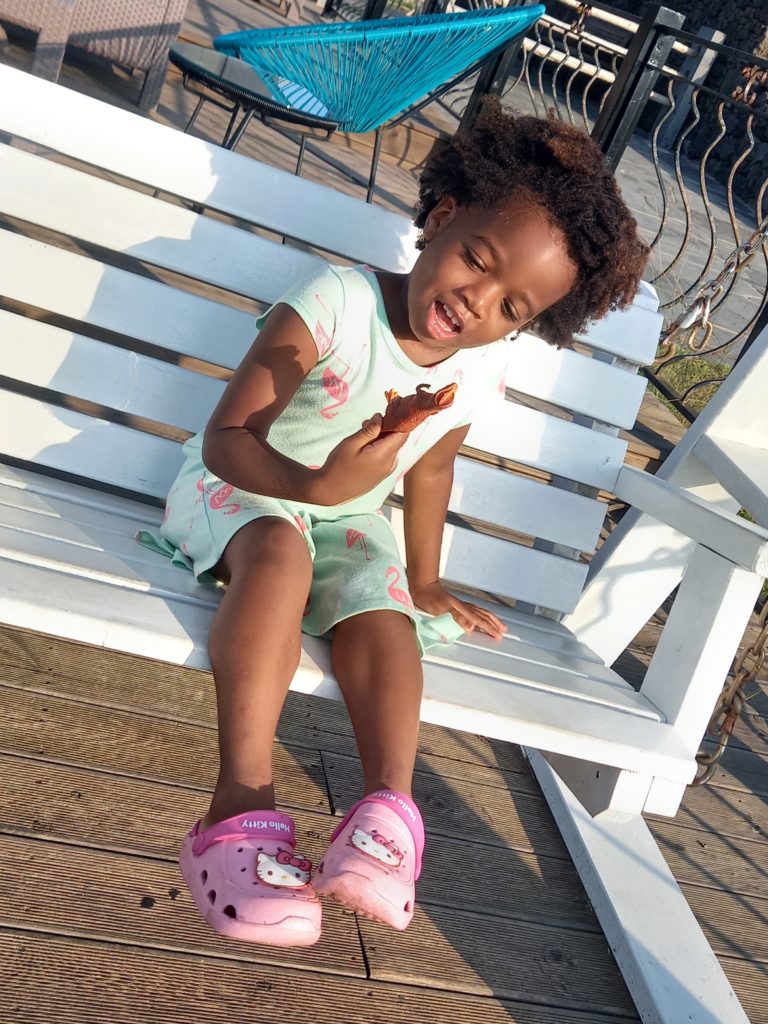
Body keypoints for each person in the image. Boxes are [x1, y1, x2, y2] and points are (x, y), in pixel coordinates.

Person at [137, 99, 649, 948]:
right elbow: (229, 442)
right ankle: (237, 812)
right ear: (443, 219)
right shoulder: (335, 300)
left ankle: (383, 818)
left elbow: (433, 466)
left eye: (512, 307)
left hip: (343, 514)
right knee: (278, 551)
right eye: (477, 261)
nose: (479, 303)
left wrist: (425, 578)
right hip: (246, 491)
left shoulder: (478, 369)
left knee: (384, 608)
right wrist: (314, 483)